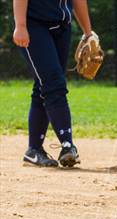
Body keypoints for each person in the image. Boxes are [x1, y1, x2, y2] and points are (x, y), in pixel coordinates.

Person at [12, 0, 95, 167]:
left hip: (62, 28)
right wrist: (20, 25)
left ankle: (34, 150)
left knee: (44, 85)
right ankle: (67, 145)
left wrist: (88, 33)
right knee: (54, 83)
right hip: (33, 26)